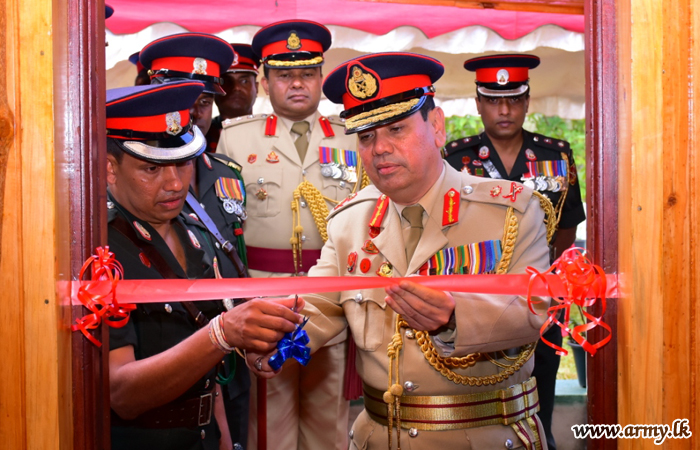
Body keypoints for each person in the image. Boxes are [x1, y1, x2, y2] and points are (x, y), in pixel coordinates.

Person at [248, 52, 553, 449]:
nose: (380, 149)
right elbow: (315, 309)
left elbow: (535, 310)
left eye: (396, 129)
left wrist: (454, 318)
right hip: (380, 437)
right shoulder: (348, 223)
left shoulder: (510, 211)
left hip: (483, 437)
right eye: (367, 136)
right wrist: (270, 337)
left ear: (437, 126)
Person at [105, 81, 304, 450]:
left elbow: (207, 382)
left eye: (183, 164)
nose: (175, 183)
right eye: (152, 168)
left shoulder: (196, 233)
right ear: (109, 168)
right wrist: (222, 335)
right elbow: (122, 393)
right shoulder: (101, 251)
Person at [217, 20, 360, 450]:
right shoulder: (235, 138)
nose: (297, 83)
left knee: (327, 421)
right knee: (268, 423)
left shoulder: (353, 138)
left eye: (307, 73)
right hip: (263, 295)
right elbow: (224, 227)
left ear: (321, 77)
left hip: (330, 297)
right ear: (264, 81)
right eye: (284, 75)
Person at [443, 54, 586, 450]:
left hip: (537, 298)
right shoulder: (455, 158)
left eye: (513, 99)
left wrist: (547, 281)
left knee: (541, 395)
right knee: (477, 400)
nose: (504, 109)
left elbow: (568, 223)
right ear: (477, 103)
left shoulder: (555, 154)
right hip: (475, 301)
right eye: (492, 99)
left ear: (527, 101)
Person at [139, 32, 253, 448]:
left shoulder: (227, 173)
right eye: (182, 96)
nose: (195, 112)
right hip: (162, 354)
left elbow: (235, 256)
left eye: (204, 101)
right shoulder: (130, 175)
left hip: (230, 360)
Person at [206, 44, 261, 153]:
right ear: (215, 89)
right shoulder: (201, 136)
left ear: (257, 87)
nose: (236, 88)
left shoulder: (273, 133)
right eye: (226, 81)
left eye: (244, 81)